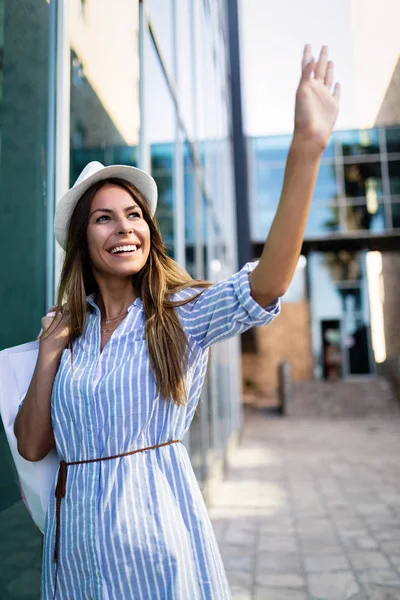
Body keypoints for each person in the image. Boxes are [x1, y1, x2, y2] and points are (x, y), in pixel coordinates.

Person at [14, 44, 340, 599]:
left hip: (157, 553)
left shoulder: (180, 314)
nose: (124, 227)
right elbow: (31, 445)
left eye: (134, 215)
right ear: (81, 243)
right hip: (73, 557)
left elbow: (267, 282)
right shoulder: (67, 332)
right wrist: (49, 354)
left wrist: (306, 149)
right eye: (104, 218)